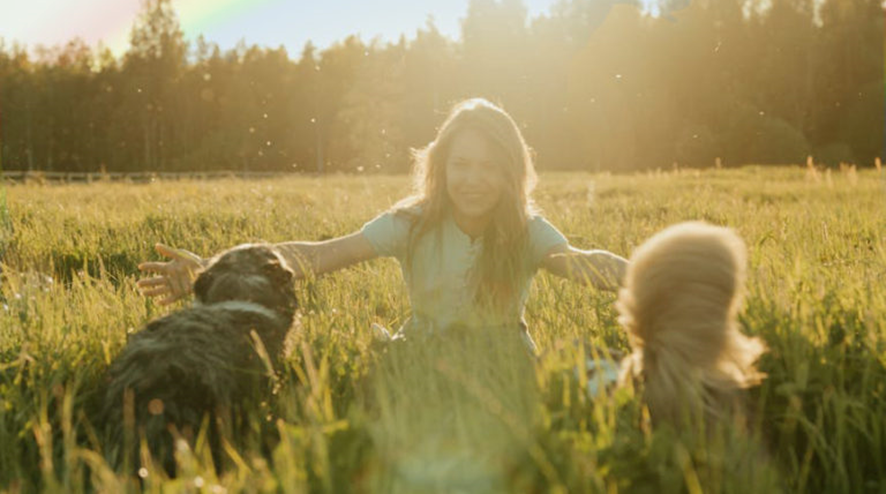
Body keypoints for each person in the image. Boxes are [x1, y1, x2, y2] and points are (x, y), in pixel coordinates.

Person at [137, 98, 628, 354]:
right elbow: (320, 254)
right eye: (462, 165)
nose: (473, 180)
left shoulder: (525, 229)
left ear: (510, 173)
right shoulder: (412, 222)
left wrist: (660, 277)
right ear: (442, 166)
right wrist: (212, 270)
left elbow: (584, 265)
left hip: (505, 360)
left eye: (489, 167)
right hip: (421, 353)